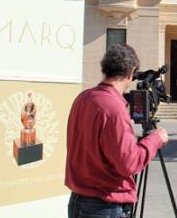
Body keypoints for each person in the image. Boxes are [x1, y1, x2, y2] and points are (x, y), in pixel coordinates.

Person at [66, 44, 168, 218]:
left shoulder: (82, 98)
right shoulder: (114, 107)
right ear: (131, 72)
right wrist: (156, 139)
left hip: (79, 201)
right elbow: (129, 163)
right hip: (104, 206)